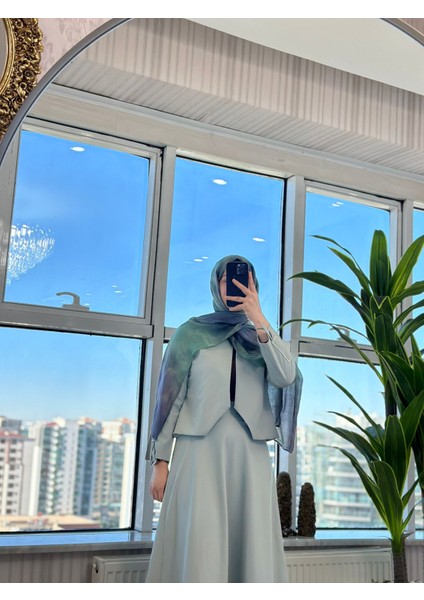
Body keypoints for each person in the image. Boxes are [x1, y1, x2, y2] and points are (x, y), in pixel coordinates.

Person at [145, 255, 300, 583]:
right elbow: (169, 401)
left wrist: (259, 319)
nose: (235, 286)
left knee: (251, 541)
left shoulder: (261, 336)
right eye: (227, 280)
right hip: (198, 454)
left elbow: (286, 376)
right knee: (201, 539)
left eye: (244, 280)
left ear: (254, 286)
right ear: (216, 285)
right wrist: (160, 461)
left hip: (250, 457)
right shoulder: (189, 334)